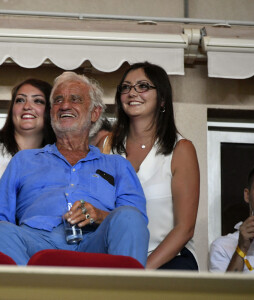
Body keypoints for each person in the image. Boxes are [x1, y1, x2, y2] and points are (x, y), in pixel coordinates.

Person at [0, 71, 149, 266]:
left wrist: (100, 215)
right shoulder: (24, 160)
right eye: (58, 100)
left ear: (95, 113)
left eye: (75, 99)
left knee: (128, 217)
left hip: (95, 243)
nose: (65, 105)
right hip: (35, 242)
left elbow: (135, 219)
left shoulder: (117, 165)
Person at [99, 62, 200, 270]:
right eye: (125, 87)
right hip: (116, 260)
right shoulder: (106, 146)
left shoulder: (181, 149)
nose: (132, 92)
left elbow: (185, 228)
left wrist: (141, 272)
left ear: (162, 99)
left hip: (168, 261)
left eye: (143, 86)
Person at [0, 78, 56, 177]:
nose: (27, 106)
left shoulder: (58, 160)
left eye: (38, 101)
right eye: (20, 100)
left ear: (50, 110)